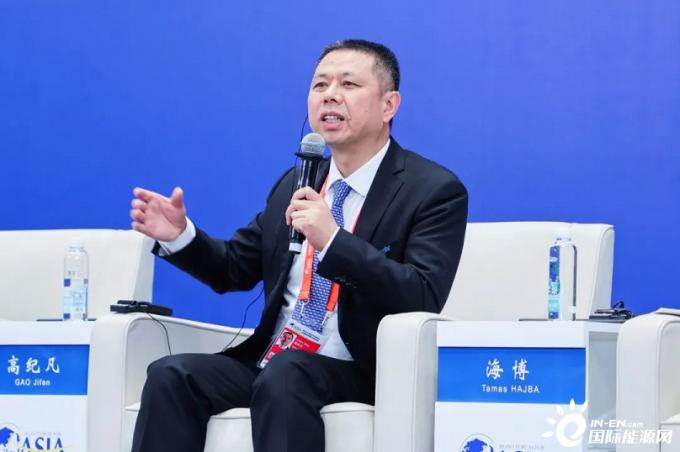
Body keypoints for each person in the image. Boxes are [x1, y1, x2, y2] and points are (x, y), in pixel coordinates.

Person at [128, 39, 468, 452]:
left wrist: (333, 240)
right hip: (275, 359)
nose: (330, 95)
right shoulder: (297, 182)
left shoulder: (432, 190)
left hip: (360, 369)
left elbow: (422, 294)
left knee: (287, 373)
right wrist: (180, 236)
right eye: (320, 84)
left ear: (388, 105)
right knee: (170, 375)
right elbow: (233, 268)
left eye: (348, 84)